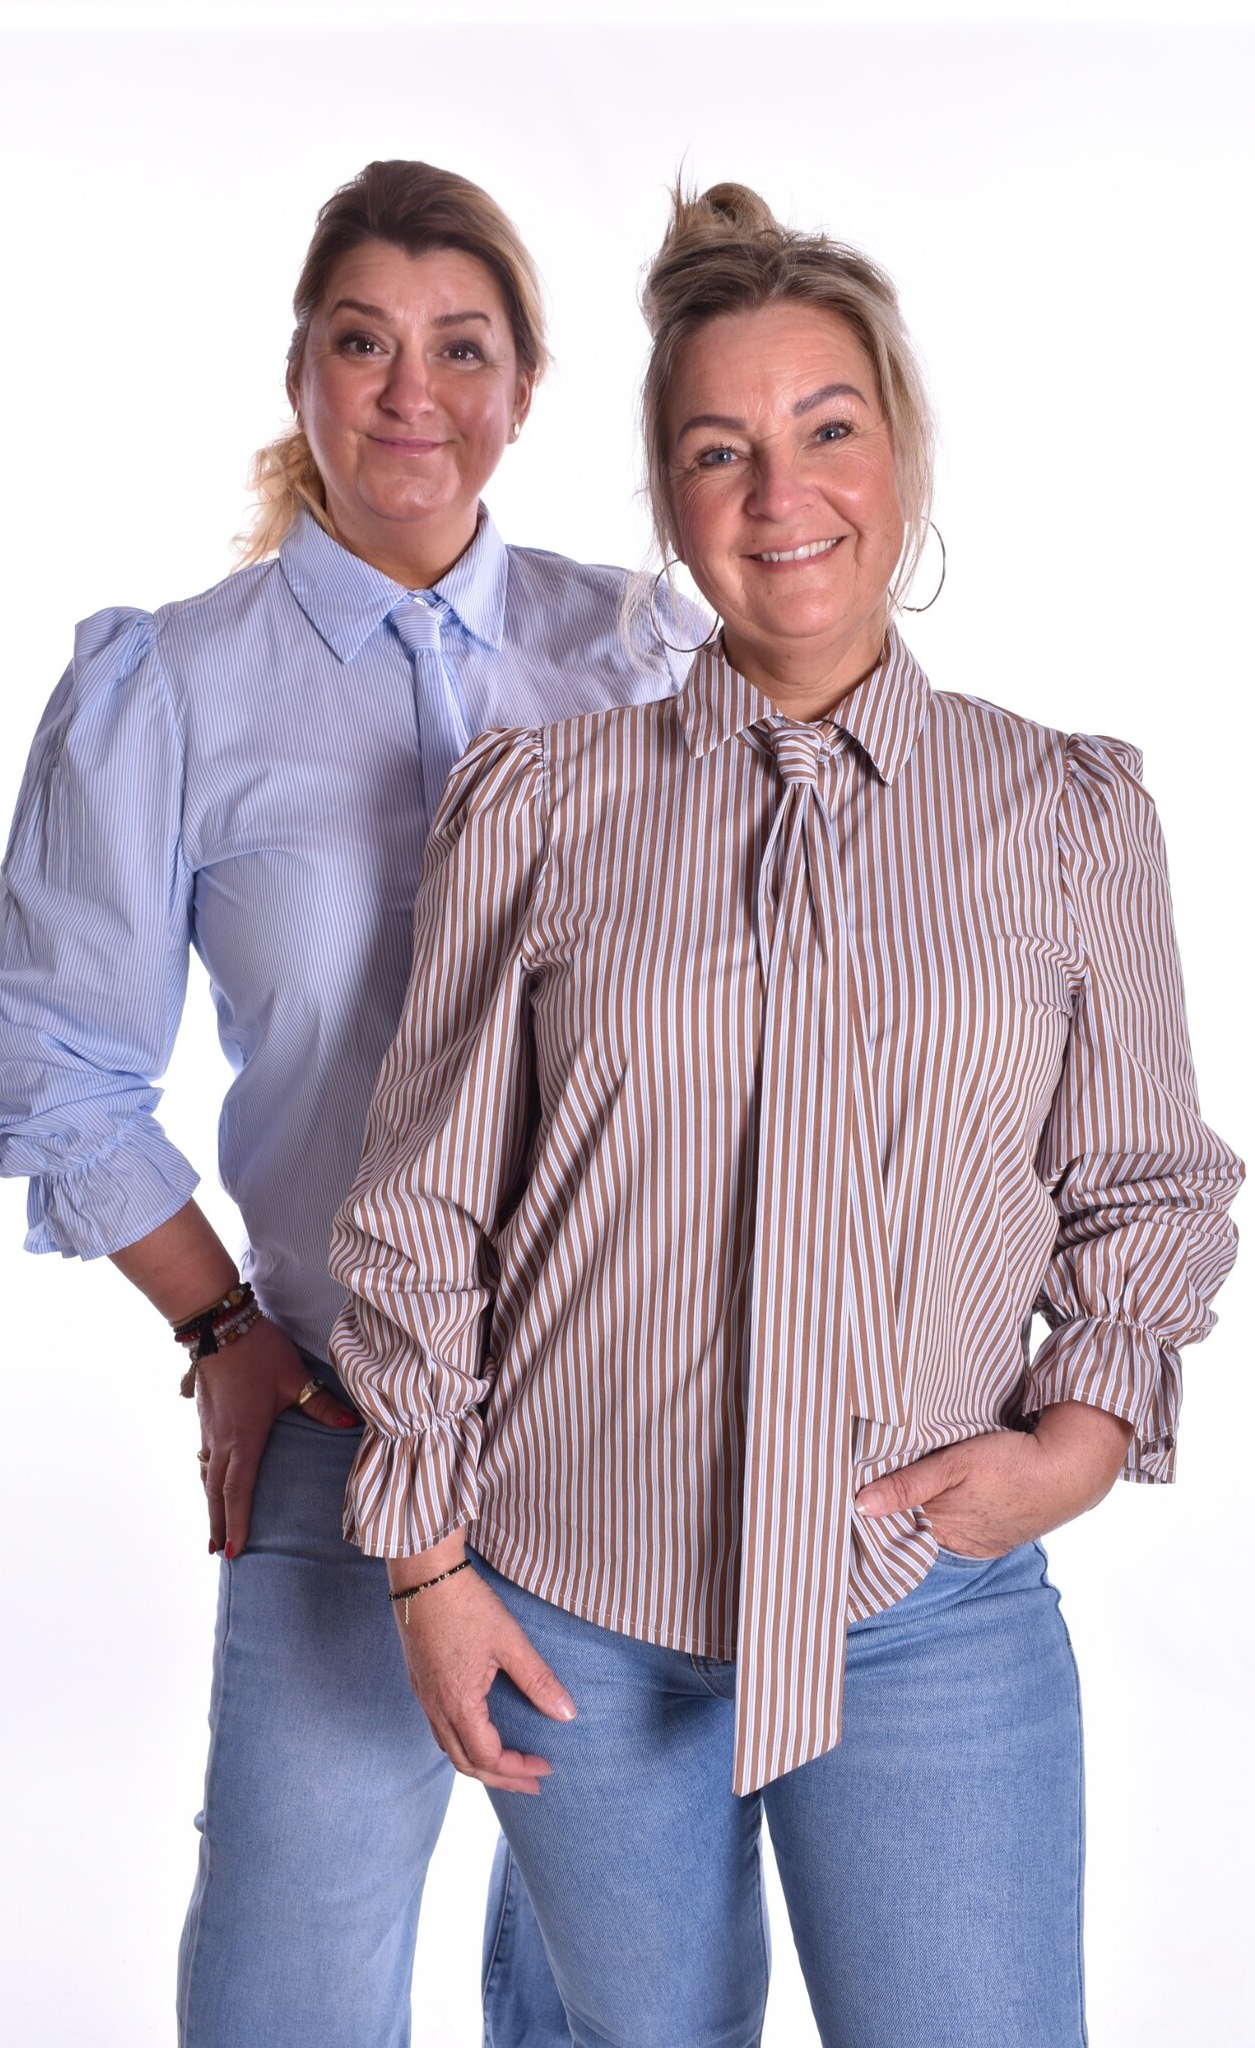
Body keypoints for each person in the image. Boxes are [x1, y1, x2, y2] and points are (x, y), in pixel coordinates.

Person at [327, 181, 1244, 2048]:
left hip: (922, 1607)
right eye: (716, 450)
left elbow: (1145, 1184)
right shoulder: (540, 807)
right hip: (573, 1611)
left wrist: (1080, 1438)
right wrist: (428, 1569)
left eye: (826, 430)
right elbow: (421, 1214)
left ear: (898, 454)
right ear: (669, 500)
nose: (778, 494)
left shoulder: (1066, 815)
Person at [0, 159, 694, 2048]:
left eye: (461, 348)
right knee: (283, 1996)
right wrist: (220, 1326)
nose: (409, 393)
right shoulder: (171, 686)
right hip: (349, 1424)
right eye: (362, 343)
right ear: (298, 373)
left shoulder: (645, 655)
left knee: (623, 2002)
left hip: (637, 1428)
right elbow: (53, 1055)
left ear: (525, 386)